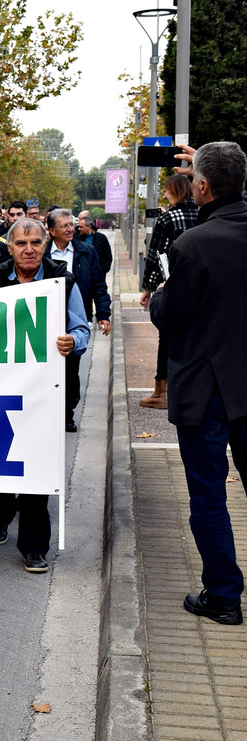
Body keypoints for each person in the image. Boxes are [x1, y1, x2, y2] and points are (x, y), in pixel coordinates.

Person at [149, 141, 247, 625]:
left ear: (201, 186)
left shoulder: (192, 244)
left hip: (206, 390)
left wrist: (158, 296)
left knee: (208, 498)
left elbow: (172, 314)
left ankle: (224, 597)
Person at [0, 217, 91, 573]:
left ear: (46, 245)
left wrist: (72, 342)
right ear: (9, 248)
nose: (29, 250)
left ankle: (34, 546)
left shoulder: (63, 282)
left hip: (43, 394)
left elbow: (81, 328)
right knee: (0, 463)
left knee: (36, 469)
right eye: (21, 243)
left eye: (36, 243)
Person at [45, 207, 111, 432]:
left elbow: (98, 284)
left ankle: (67, 414)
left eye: (71, 225)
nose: (70, 229)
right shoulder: (42, 252)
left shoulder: (86, 251)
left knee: (71, 368)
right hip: (46, 319)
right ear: (51, 230)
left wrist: (103, 313)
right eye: (64, 226)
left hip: (74, 317)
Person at [139, 174, 199, 410]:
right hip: (202, 285)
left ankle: (161, 391)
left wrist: (148, 287)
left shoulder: (167, 219)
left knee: (167, 335)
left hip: (173, 286)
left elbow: (156, 255)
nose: (164, 195)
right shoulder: (204, 214)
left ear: (175, 191)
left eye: (166, 191)